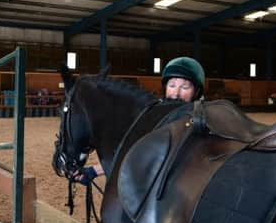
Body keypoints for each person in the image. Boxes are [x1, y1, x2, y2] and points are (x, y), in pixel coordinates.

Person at [76, 56, 205, 184]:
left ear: (197, 91)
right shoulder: (156, 114)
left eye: (184, 87)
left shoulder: (200, 121)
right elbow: (137, 153)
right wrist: (93, 171)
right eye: (172, 85)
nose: (176, 93)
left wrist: (94, 171)